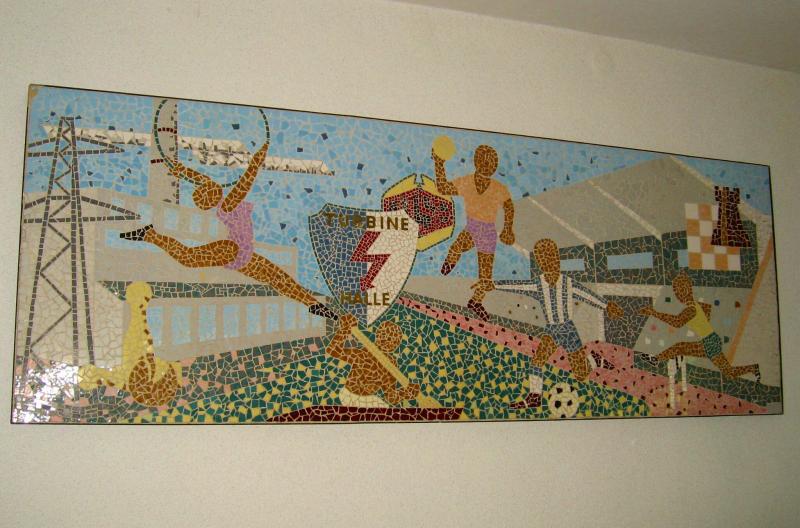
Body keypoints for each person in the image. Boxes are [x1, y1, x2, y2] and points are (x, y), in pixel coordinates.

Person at [120, 109, 337, 321]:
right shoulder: (228, 203)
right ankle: (150, 235)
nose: (209, 185)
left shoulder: (216, 193)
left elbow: (201, 179)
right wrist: (257, 159)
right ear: (210, 197)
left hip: (245, 254)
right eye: (207, 190)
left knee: (278, 278)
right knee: (189, 258)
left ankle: (314, 305)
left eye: (206, 187)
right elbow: (245, 181)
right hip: (233, 249)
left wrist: (182, 171)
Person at [495, 238, 623, 409]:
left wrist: (606, 306)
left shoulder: (567, 283)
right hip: (552, 330)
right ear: (539, 262)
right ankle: (535, 397)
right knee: (537, 360)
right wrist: (493, 285)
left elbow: (587, 295)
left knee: (581, 374)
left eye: (550, 256)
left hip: (568, 330)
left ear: (556, 258)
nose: (547, 262)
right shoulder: (538, 284)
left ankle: (594, 359)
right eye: (542, 258)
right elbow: (518, 286)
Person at [432, 141, 515, 321]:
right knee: (456, 248)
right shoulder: (467, 182)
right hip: (472, 227)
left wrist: (508, 229)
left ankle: (475, 301)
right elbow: (443, 188)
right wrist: (439, 164)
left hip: (488, 232)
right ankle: (449, 263)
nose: (487, 165)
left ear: (495, 166)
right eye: (483, 161)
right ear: (476, 162)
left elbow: (509, 206)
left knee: (486, 278)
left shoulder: (499, 188)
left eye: (491, 162)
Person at [639, 271, 760, 382]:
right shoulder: (696, 305)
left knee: (680, 347)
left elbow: (677, 322)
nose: (678, 294)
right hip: (711, 340)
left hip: (710, 342)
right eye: (676, 291)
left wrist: (653, 313)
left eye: (680, 290)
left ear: (688, 290)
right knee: (729, 372)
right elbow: (706, 312)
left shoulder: (691, 309)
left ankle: (656, 359)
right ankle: (753, 368)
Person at [326, 313, 420, 407]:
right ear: (378, 335)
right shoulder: (364, 354)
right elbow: (332, 350)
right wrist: (345, 329)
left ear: (396, 344)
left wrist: (405, 393)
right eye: (385, 336)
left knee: (384, 408)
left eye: (393, 340)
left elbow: (390, 397)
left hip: (368, 399)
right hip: (348, 395)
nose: (387, 341)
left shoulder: (391, 364)